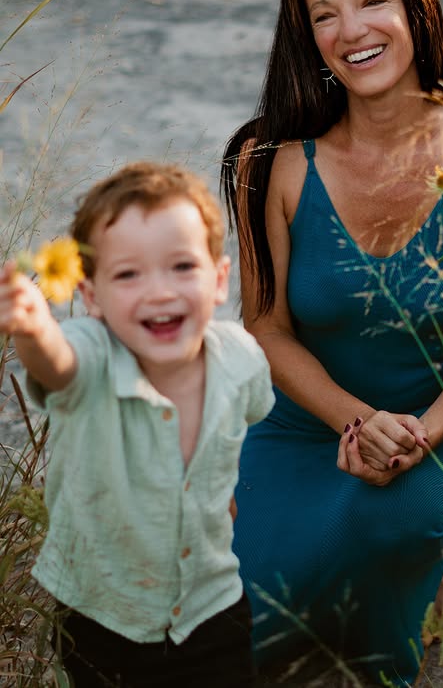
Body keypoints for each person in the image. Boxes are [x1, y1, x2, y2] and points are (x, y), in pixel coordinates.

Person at [221, 0, 443, 686]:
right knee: (252, 632)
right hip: (312, 424)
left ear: (415, 6)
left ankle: (431, 538)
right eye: (323, 15)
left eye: (369, 2)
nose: (349, 30)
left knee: (376, 532)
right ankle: (416, 540)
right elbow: (263, 325)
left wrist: (417, 436)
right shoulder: (274, 162)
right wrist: (358, 425)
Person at [0, 161, 275, 688]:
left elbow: (243, 428)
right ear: (91, 296)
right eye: (128, 274)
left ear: (218, 280)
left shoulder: (242, 361)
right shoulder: (93, 355)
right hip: (103, 614)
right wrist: (32, 327)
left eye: (181, 267)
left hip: (211, 601)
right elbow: (57, 363)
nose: (159, 292)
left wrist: (223, 490)